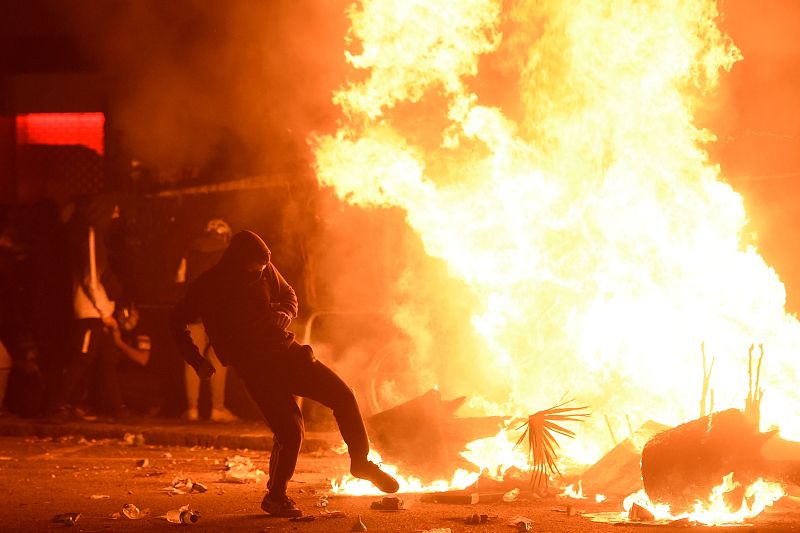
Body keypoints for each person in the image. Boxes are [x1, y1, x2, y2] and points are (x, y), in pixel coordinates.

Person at [169, 230, 399, 517]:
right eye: (256, 265)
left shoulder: (265, 270)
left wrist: (286, 313)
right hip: (255, 368)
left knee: (343, 395)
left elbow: (289, 294)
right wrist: (196, 360)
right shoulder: (209, 285)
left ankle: (361, 463)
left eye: (265, 265)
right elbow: (175, 322)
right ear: (238, 261)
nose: (262, 270)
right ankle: (275, 497)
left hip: (289, 355)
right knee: (290, 431)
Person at [49, 195, 125, 421]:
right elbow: (91, 278)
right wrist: (105, 312)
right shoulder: (91, 236)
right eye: (114, 212)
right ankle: (57, 406)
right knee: (82, 360)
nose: (117, 217)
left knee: (105, 361)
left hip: (96, 311)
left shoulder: (94, 236)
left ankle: (116, 410)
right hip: (91, 312)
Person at [175, 219, 238, 422]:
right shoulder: (230, 252)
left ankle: (192, 409)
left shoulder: (190, 250)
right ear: (226, 235)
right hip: (220, 313)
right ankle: (217, 409)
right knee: (219, 358)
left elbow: (179, 280)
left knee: (193, 358)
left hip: (193, 311)